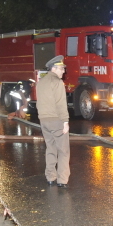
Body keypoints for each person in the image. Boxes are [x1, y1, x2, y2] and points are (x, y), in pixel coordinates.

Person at [36, 56, 70, 188]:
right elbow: (61, 104)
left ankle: (50, 177)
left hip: (44, 121)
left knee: (50, 149)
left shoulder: (42, 82)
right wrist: (65, 122)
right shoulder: (57, 83)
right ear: (54, 68)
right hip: (56, 120)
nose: (63, 71)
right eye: (61, 68)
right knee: (63, 151)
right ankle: (62, 180)